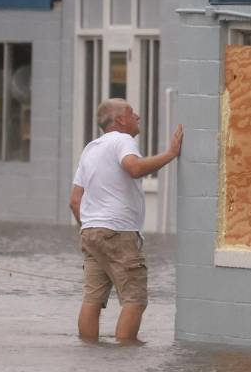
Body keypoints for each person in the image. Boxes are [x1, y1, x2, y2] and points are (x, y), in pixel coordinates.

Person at [69, 98, 183, 343]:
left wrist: (91, 228)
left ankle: (89, 351)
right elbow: (134, 168)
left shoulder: (90, 149)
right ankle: (126, 355)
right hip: (118, 232)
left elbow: (75, 201)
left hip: (90, 232)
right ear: (120, 120)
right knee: (135, 300)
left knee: (92, 300)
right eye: (132, 112)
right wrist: (171, 153)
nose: (138, 116)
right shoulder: (122, 140)